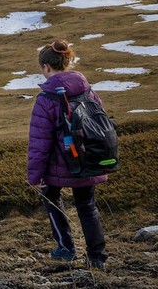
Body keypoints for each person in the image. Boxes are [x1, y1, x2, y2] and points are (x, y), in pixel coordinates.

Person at [27, 40, 109, 270]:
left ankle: (66, 248)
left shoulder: (47, 98)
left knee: (50, 195)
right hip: (88, 158)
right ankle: (97, 257)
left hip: (59, 163)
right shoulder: (88, 89)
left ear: (46, 67)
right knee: (87, 205)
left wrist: (34, 175)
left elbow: (39, 142)